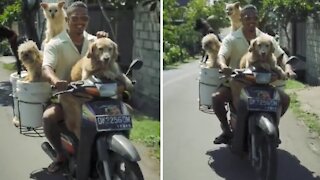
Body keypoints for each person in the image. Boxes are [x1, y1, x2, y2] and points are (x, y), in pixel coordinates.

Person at [212, 4, 296, 145]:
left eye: (255, 18)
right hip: (237, 81)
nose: (251, 21)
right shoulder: (231, 38)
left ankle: (273, 125)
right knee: (217, 98)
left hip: (263, 83)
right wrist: (223, 66)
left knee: (285, 100)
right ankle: (226, 130)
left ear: (258, 20)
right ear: (241, 19)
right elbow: (221, 55)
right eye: (247, 17)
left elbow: (281, 55)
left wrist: (288, 68)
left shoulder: (266, 39)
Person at [41, 1, 107, 173]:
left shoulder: (95, 41)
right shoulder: (55, 43)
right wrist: (55, 80)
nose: (80, 22)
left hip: (95, 96)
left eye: (84, 18)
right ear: (67, 19)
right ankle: (61, 154)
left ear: (88, 20)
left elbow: (110, 59)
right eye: (75, 18)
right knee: (49, 117)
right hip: (67, 96)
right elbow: (46, 68)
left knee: (124, 110)